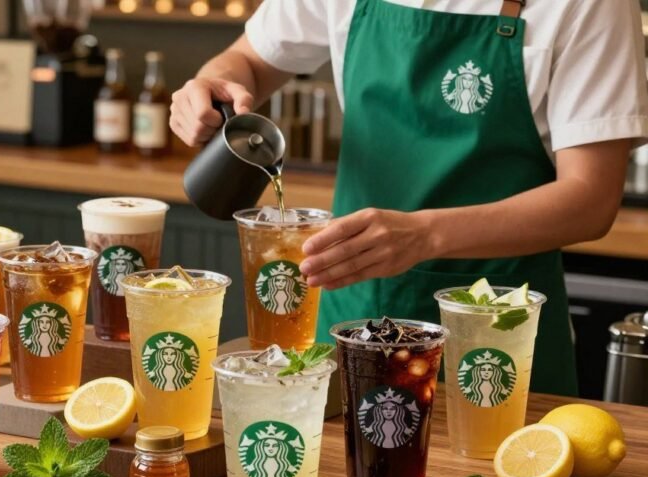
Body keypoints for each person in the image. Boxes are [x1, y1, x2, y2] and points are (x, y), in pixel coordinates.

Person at [170, 0, 648, 396]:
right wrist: (212, 84)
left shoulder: (591, 5)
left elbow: (591, 199)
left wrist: (424, 235)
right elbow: (248, 61)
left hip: (496, 333)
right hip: (347, 310)